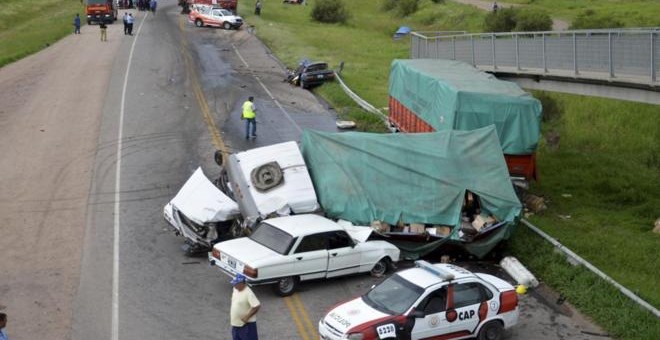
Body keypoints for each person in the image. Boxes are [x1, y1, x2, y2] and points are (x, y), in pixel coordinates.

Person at [230, 274, 260, 340]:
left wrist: (246, 317)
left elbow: (256, 306)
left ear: (241, 283)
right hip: (236, 324)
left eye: (236, 284)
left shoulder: (248, 293)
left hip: (246, 326)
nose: (234, 285)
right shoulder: (235, 289)